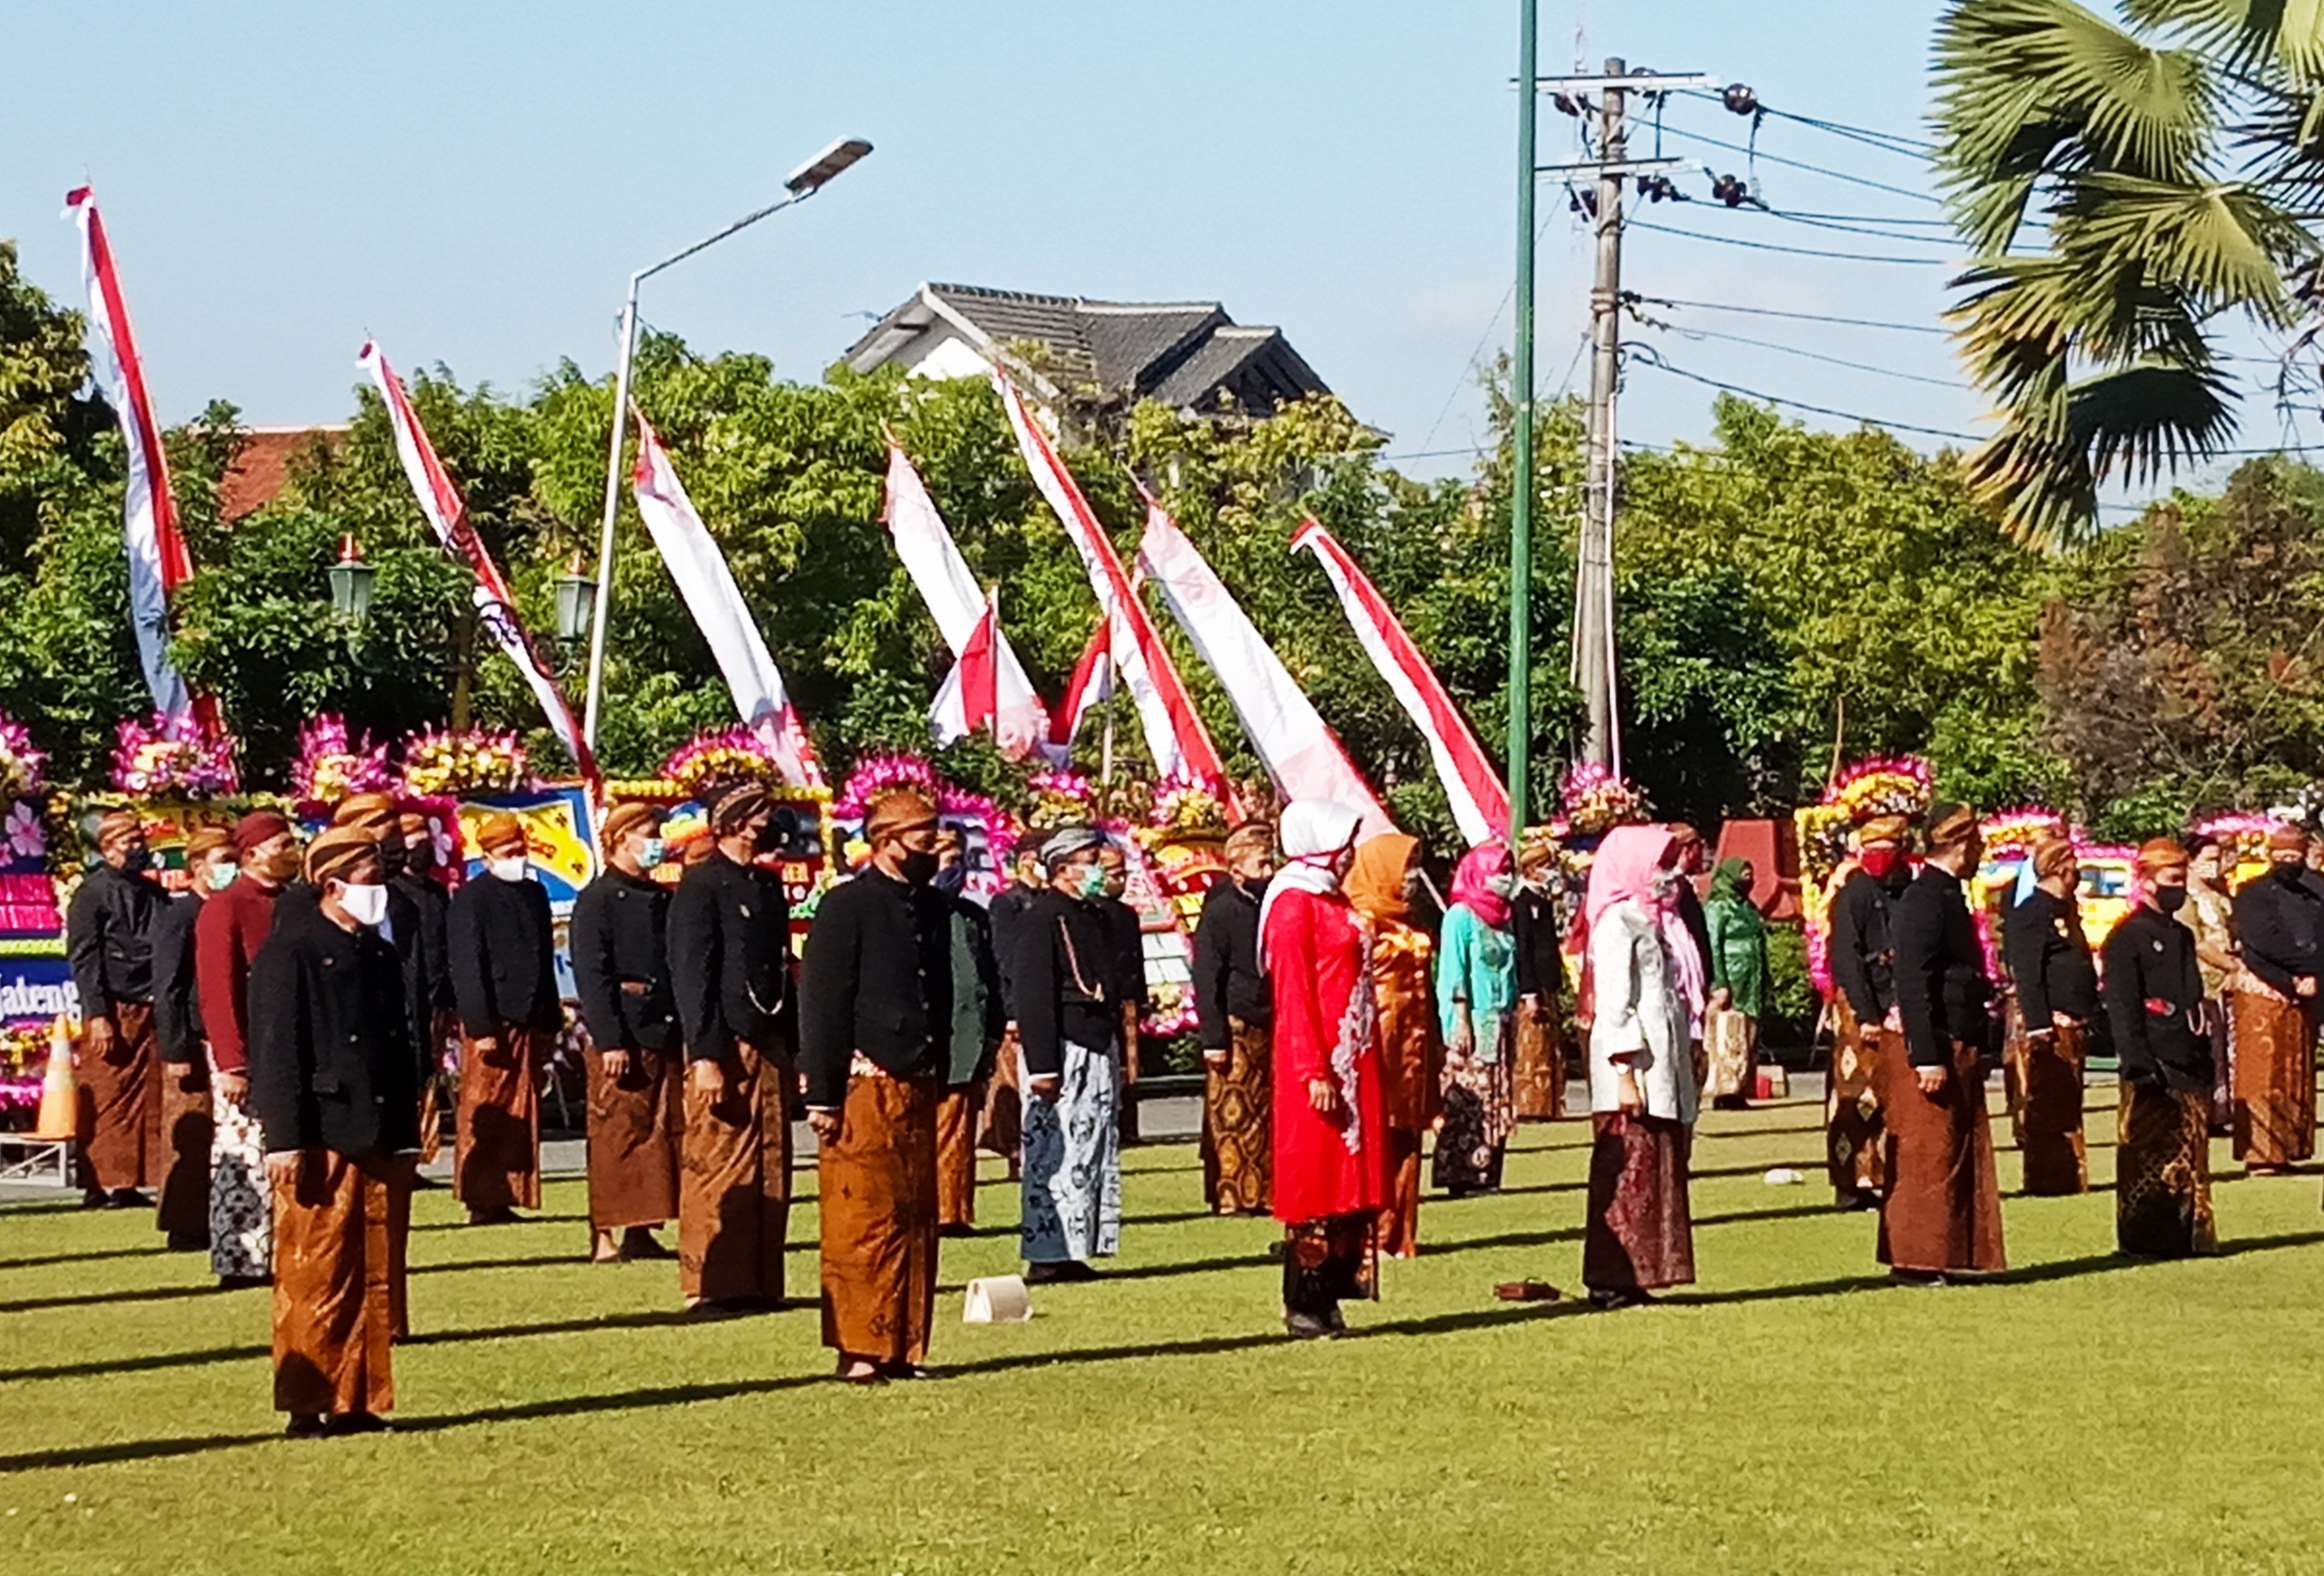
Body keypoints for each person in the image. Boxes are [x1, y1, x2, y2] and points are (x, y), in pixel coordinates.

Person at [800, 791, 983, 1382]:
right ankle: (858, 1350)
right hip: (862, 1082)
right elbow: (824, 1003)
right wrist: (822, 1093)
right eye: (922, 843)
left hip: (920, 1078)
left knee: (914, 1218)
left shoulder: (931, 907)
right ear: (885, 840)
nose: (933, 853)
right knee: (862, 1222)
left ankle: (906, 1345)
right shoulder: (845, 906)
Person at [246, 826, 420, 1438]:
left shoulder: (376, 952)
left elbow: (399, 1047)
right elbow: (277, 1052)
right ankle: (306, 1401)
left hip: (372, 1128)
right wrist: (284, 1138)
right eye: (371, 882)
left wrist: (405, 1132)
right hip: (319, 1131)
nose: (381, 894)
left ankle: (359, 1398)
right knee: (313, 1270)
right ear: (332, 885)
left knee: (369, 1268)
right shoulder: (290, 951)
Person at [1260, 801, 1388, 1337]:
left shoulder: (1331, 900)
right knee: (1315, 1181)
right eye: (1344, 843)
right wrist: (1312, 1068)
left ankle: (1335, 1293)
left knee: (1350, 1183)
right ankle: (1304, 1300)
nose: (1350, 855)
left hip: (1355, 1056)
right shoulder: (1293, 905)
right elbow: (1293, 993)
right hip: (1316, 1060)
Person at [668, 786, 796, 1314]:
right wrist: (705, 1055)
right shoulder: (701, 887)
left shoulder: (766, 887)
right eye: (760, 813)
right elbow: (692, 974)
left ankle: (760, 1281)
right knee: (718, 1161)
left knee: (771, 1162)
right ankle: (712, 1283)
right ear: (738, 821)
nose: (770, 821)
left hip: (768, 1038)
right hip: (724, 1043)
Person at [1885, 802, 2007, 1285]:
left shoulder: (1948, 895)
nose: (1980, 852)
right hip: (1935, 1042)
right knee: (1927, 1155)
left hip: (1958, 1035)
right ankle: (1915, 1259)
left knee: (1952, 1151)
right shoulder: (1924, 900)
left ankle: (1945, 1252)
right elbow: (1913, 979)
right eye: (1975, 843)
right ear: (1958, 844)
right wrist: (1927, 1055)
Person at [1002, 826, 1127, 1283]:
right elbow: (1034, 995)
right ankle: (1046, 1253)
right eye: (1090, 860)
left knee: (1089, 1151)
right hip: (1060, 1050)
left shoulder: (1091, 915)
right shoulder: (1040, 918)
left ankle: (1075, 1247)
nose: (1099, 869)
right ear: (1062, 868)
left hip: (1095, 1043)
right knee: (1054, 1151)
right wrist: (1043, 1067)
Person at [1581, 824, 1699, 1308]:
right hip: (1632, 1069)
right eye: (1659, 864)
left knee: (1654, 1172)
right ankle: (1611, 1278)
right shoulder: (1617, 923)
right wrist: (1626, 1071)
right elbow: (1615, 1003)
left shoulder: (1651, 920)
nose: (1666, 874)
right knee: (1626, 1170)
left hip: (1660, 1064)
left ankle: (1643, 1272)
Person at [570, 803, 682, 1264]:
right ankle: (604, 1233)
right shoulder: (597, 899)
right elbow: (592, 974)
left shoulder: (662, 898)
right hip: (622, 1031)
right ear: (620, 839)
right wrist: (610, 1038)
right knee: (615, 1132)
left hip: (663, 1029)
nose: (656, 842)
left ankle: (642, 1227)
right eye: (647, 833)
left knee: (657, 1134)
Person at [199, 810, 297, 1287]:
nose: (290, 853)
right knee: (244, 1158)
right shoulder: (227, 906)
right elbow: (218, 990)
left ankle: (286, 1250)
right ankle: (240, 1262)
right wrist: (232, 1061)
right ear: (253, 853)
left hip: (288, 1049)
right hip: (245, 1054)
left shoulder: (295, 902)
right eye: (282, 846)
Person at [2105, 839, 2216, 1258]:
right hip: (2151, 1058)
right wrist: (2137, 1062)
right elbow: (2122, 1004)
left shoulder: (2182, 935)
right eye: (2171, 879)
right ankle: (2143, 1238)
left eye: (2182, 879)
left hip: (2188, 1053)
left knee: (2190, 1153)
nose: (2179, 887)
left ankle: (2190, 1233)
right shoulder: (2126, 937)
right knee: (2147, 1157)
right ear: (2146, 881)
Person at [448, 811, 560, 1224]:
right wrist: (481, 1026)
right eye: (509, 851)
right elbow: (467, 966)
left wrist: (551, 1020)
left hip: (531, 1017)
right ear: (489, 853)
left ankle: (510, 1192)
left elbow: (543, 958)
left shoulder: (535, 893)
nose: (518, 856)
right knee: (489, 1106)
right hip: (494, 1023)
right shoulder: (471, 899)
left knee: (522, 1112)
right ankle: (480, 1197)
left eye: (521, 848)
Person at [1342, 830, 1440, 1259]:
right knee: (1371, 1136)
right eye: (1405, 867)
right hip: (1373, 1043)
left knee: (1405, 1134)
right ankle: (1366, 1235)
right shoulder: (1358, 921)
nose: (1413, 877)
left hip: (1411, 1046)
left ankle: (1398, 1232)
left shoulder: (1407, 922)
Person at [66, 808, 165, 1209]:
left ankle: (130, 1183)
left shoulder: (153, 893)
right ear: (107, 849)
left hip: (151, 1003)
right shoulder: (91, 893)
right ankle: (98, 1183)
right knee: (108, 1094)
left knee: (146, 1097)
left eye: (141, 839)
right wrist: (97, 1014)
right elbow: (85, 956)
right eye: (130, 842)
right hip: (112, 1006)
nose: (138, 848)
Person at [2001, 836, 2095, 1195]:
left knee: (2068, 1102)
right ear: (2059, 867)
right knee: (2048, 1103)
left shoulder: (2067, 913)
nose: (2078, 874)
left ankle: (2070, 1176)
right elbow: (2027, 972)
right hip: (2049, 1023)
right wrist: (2039, 1024)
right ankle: (2047, 1179)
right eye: (2073, 865)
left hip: (2075, 1019)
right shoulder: (2031, 912)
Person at [150, 827, 230, 1250]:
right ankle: (185, 1224)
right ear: (198, 866)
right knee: (193, 1134)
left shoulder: (227, 907)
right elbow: (169, 985)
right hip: (192, 1038)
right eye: (222, 860)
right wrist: (176, 1047)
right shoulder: (181, 914)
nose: (229, 868)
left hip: (223, 1039)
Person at [1826, 815, 1911, 1210]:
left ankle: (1887, 1177)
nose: (1877, 858)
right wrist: (1865, 1013)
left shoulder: (1909, 890)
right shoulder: (1855, 893)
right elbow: (1846, 956)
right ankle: (1849, 1183)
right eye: (1871, 851)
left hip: (1900, 1004)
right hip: (1862, 1007)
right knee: (1855, 1096)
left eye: (1885, 851)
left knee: (1893, 1098)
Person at [1191, 821, 1275, 1216]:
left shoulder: (1269, 905)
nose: (1268, 872)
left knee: (1264, 1112)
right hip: (1234, 1022)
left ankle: (1263, 1191)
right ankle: (1232, 1196)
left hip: (1267, 1017)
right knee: (1233, 1113)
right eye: (1261, 864)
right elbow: (1207, 975)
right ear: (1237, 869)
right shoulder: (1222, 909)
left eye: (1271, 862)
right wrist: (1213, 1038)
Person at [2227, 824, 2321, 1175]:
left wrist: (2314, 975)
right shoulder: (2252, 894)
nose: (2288, 861)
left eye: (2294, 856)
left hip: (2308, 992)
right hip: (2264, 989)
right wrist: (2295, 977)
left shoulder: (2317, 890)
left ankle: (2290, 1149)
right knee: (2262, 1075)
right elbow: (2262, 941)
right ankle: (2260, 1154)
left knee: (2296, 1072)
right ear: (2270, 855)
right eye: (2281, 856)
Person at [1432, 842, 1519, 1196]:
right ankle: (1461, 1174)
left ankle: (1489, 1172)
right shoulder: (1460, 916)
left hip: (1500, 1019)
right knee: (1468, 1099)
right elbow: (1454, 970)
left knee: (1496, 1096)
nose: (1507, 878)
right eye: (1500, 871)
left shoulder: (1503, 917)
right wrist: (1460, 1019)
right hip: (1470, 1018)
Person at [932, 833, 1004, 1235]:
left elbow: (987, 978)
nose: (952, 868)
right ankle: (936, 1210)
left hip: (970, 1038)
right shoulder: (915, 912)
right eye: (944, 858)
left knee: (960, 1133)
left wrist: (994, 1029)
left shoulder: (972, 916)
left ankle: (955, 1211)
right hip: (932, 1043)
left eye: (958, 858)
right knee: (934, 1130)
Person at [393, 810, 456, 1166]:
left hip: (438, 997)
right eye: (415, 844)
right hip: (406, 997)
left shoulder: (435, 892)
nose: (422, 851)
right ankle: (408, 1152)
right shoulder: (394, 892)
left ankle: (424, 1149)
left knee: (430, 1076)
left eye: (426, 843)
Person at [980, 842, 1045, 1178]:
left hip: (1046, 1005)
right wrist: (1013, 1010)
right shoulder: (1007, 904)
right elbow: (1005, 959)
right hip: (1017, 1005)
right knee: (1015, 1085)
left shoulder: (1049, 902)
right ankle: (1015, 1153)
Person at [1702, 856, 1774, 1110]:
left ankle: (1742, 1087)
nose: (1748, 879)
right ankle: (1726, 1092)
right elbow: (1712, 944)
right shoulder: (1718, 907)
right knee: (1729, 1034)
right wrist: (1719, 982)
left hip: (1751, 977)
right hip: (1731, 977)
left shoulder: (1748, 907)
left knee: (1749, 1035)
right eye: (1742, 874)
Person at [2179, 833, 2238, 1135]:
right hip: (2203, 981)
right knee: (2208, 1049)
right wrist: (2230, 964)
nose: (2214, 867)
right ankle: (2205, 1112)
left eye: (2217, 860)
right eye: (2208, 861)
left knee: (2226, 1051)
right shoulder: (2184, 899)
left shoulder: (2221, 897)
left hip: (2227, 984)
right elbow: (2197, 943)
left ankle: (2223, 1112)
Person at [1510, 834, 1568, 1121]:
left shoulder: (1543, 903)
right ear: (1533, 870)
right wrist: (1529, 991)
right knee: (1532, 1047)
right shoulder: (1522, 904)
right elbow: (1524, 948)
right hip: (1532, 986)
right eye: (1547, 866)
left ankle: (1550, 1102)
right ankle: (1529, 1104)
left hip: (1548, 983)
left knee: (1549, 1046)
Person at [1094, 838, 1147, 1142]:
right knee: (1109, 1065)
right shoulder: (1092, 911)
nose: (1122, 881)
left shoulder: (1127, 914)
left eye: (1124, 874)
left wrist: (1142, 995)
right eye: (1115, 875)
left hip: (1127, 998)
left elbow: (1136, 958)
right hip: (1105, 998)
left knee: (1131, 1067)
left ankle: (1129, 1127)